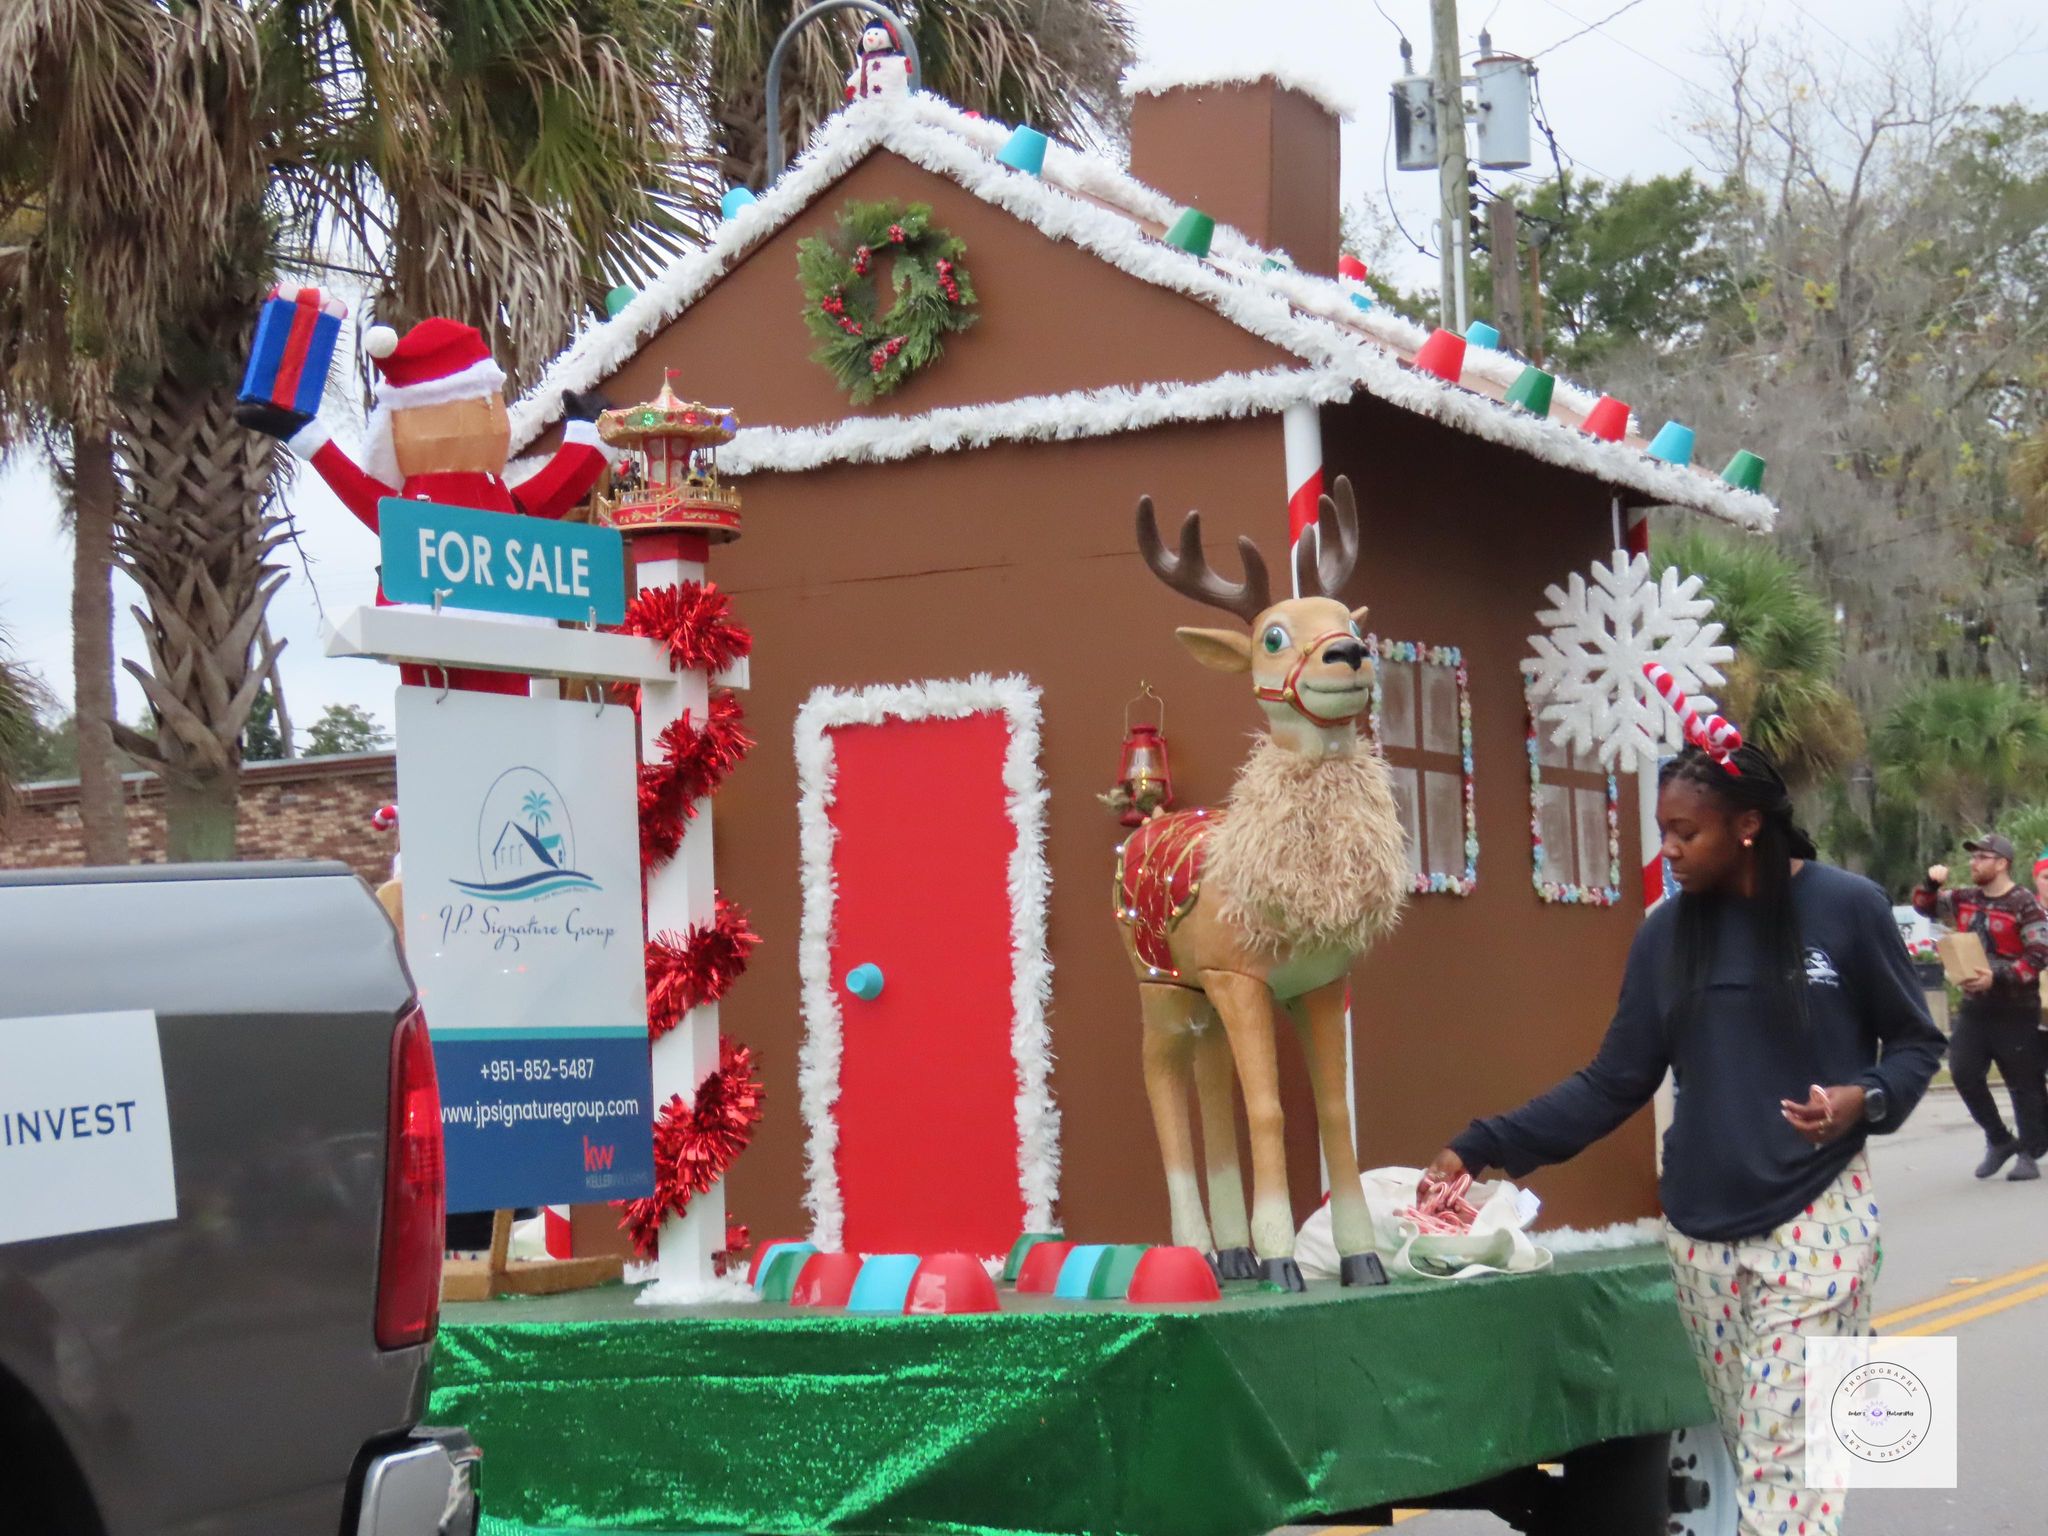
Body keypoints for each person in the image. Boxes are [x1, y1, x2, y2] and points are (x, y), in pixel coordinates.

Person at [1421, 742, 1945, 1536]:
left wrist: (1862, 1098)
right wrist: (1482, 1142)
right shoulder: (1664, 936)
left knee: (1787, 1463)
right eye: (1662, 829)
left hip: (1818, 1219)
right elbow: (1613, 1082)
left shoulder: (1848, 907)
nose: (1667, 848)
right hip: (1700, 1233)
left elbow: (1916, 1045)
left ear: (1745, 825)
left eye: (1684, 831)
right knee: (1754, 1442)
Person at [1913, 834, 2048, 1178]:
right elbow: (1923, 905)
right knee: (1963, 1072)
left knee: (2024, 1082)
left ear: (2002, 863)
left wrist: (1997, 977)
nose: (1974, 863)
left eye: (1982, 858)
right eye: (1973, 858)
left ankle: (2030, 1155)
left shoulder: (2024, 904)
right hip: (1974, 1006)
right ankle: (1999, 1139)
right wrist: (1931, 883)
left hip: (2016, 1007)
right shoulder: (1964, 898)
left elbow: (2038, 954)